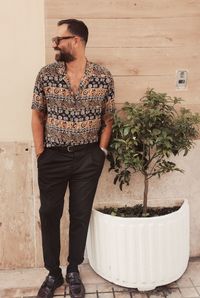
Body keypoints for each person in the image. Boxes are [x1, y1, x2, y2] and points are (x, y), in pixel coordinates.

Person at [31, 19, 115, 298]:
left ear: (76, 40)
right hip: (53, 157)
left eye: (59, 39)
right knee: (49, 213)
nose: (55, 43)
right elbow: (37, 114)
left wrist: (100, 151)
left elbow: (108, 117)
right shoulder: (46, 74)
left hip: (87, 159)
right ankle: (53, 273)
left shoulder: (103, 76)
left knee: (79, 215)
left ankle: (73, 269)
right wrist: (41, 150)